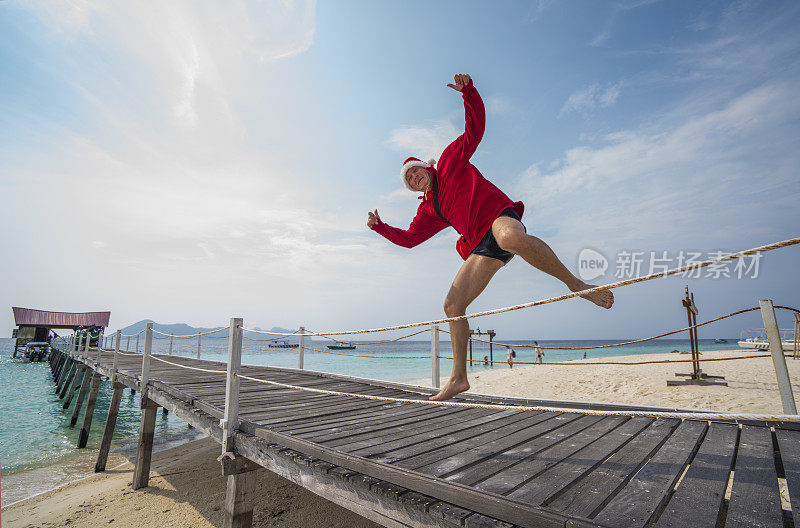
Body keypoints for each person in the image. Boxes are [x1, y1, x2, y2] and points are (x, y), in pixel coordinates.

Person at [367, 73, 614, 401]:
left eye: (416, 171)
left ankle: (575, 284)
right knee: (452, 304)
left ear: (426, 167)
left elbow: (475, 130)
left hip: (500, 219)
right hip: (480, 244)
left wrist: (468, 93)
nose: (415, 178)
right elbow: (410, 239)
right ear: (413, 188)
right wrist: (381, 227)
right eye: (410, 180)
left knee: (510, 238)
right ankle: (458, 379)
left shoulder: (450, 161)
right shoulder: (429, 210)